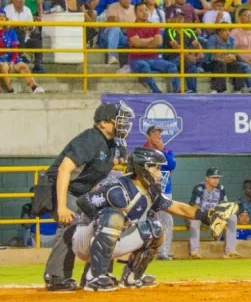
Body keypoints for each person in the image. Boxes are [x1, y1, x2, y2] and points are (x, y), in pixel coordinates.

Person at [71, 147, 238, 291]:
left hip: (113, 239)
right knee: (113, 216)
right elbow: (83, 202)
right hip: (85, 241)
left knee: (155, 228)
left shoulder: (151, 192)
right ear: (142, 168)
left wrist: (207, 217)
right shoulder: (117, 187)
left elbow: (178, 207)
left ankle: (131, 278)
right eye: (155, 168)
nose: (159, 173)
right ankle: (94, 277)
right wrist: (102, 224)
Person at [40, 102, 133, 291]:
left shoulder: (109, 144)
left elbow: (100, 167)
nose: (122, 125)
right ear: (103, 123)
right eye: (117, 121)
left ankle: (96, 274)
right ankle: (56, 276)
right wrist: (62, 207)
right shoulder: (90, 138)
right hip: (61, 188)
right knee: (70, 227)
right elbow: (64, 169)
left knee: (105, 222)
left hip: (82, 192)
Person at [188, 168, 240, 259]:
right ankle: (194, 251)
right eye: (213, 177)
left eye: (217, 178)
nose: (216, 180)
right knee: (194, 220)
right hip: (200, 214)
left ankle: (231, 250)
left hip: (214, 215)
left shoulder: (221, 188)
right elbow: (195, 207)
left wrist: (218, 223)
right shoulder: (199, 188)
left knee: (233, 217)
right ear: (206, 178)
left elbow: (224, 207)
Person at [142, 125, 177, 261]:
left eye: (159, 133)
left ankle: (163, 252)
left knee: (166, 221)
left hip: (164, 191)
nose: (158, 135)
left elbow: (172, 166)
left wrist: (161, 150)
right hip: (147, 191)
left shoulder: (166, 149)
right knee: (147, 220)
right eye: (154, 133)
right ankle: (145, 251)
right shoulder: (143, 150)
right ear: (148, 136)